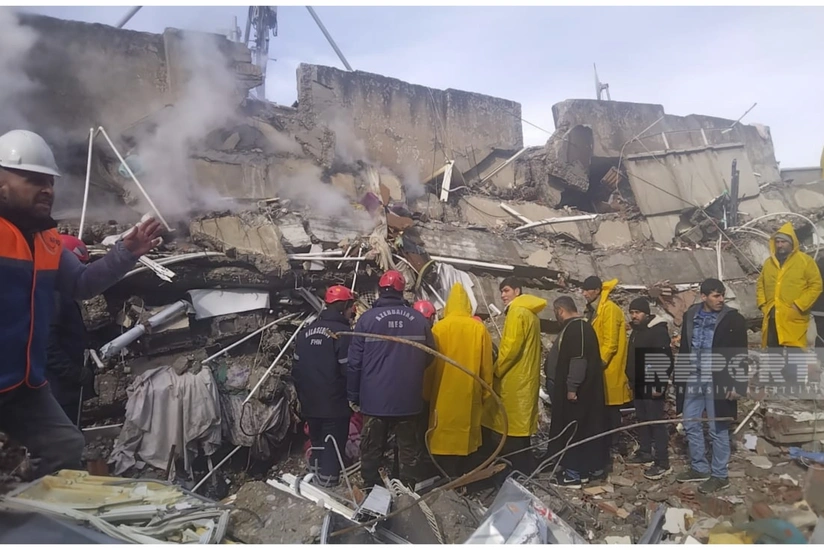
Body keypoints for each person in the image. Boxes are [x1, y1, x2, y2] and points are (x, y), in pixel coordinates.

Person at [0, 129, 163, 477]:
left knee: (64, 446)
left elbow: (82, 284)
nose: (47, 189)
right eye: (33, 179)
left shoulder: (47, 240)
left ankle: (27, 500)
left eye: (50, 181)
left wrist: (126, 253)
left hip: (24, 385)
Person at [347, 270, 435, 487]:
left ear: (380, 290)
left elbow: (355, 362)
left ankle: (371, 487)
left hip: (374, 399)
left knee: (371, 447)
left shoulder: (367, 320)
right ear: (401, 291)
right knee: (408, 448)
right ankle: (407, 489)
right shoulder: (419, 320)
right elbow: (430, 356)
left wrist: (354, 395)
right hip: (408, 399)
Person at [675, 278, 748, 494]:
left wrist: (738, 384)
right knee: (690, 423)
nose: (721, 299)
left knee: (718, 428)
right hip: (694, 376)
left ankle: (719, 475)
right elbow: (685, 347)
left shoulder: (733, 319)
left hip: (718, 379)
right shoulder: (691, 315)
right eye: (716, 295)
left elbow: (741, 353)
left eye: (722, 295)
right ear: (703, 296)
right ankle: (699, 468)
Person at [425, 283, 493, 478]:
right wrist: (486, 394)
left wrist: (426, 393)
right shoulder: (479, 329)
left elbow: (429, 366)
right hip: (469, 395)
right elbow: (486, 367)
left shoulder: (439, 328)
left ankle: (444, 478)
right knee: (466, 441)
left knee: (443, 437)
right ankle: (463, 478)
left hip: (442, 395)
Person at [480, 277, 546, 477]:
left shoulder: (517, 312)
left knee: (510, 430)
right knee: (522, 432)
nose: (503, 295)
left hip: (515, 382)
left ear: (517, 291)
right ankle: (526, 470)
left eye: (506, 290)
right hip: (527, 380)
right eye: (501, 291)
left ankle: (513, 473)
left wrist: (495, 371)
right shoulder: (531, 314)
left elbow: (510, 349)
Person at [292, 285, 355, 487]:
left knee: (317, 441)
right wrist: (354, 396)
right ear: (343, 306)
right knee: (332, 444)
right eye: (351, 306)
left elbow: (296, 369)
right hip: (334, 403)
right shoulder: (343, 334)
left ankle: (314, 478)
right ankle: (328, 487)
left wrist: (303, 396)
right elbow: (348, 370)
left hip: (309, 402)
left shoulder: (305, 332)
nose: (353, 311)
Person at [543, 296, 609, 487]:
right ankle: (583, 470)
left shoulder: (577, 329)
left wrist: (572, 388)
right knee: (581, 429)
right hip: (577, 392)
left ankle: (573, 474)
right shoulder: (579, 328)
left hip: (575, 394)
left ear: (560, 311)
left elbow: (578, 360)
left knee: (572, 430)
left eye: (556, 313)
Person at [756, 223, 822, 382]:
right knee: (774, 349)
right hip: (773, 315)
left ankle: (795, 385)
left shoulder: (805, 261)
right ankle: (776, 382)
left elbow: (816, 285)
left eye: (783, 242)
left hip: (794, 315)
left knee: (795, 351)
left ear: (792, 242)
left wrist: (799, 305)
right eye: (777, 242)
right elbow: (760, 285)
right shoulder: (769, 263)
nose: (780, 245)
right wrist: (763, 305)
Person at [45, 235, 97, 426]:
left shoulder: (59, 293)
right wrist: (75, 373)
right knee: (64, 432)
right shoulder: (54, 298)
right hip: (58, 386)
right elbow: (47, 346)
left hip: (62, 384)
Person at [625, 297, 673, 480]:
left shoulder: (657, 332)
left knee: (655, 421)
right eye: (632, 312)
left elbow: (665, 359)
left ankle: (662, 461)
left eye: (637, 312)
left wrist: (659, 385)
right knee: (642, 419)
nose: (634, 316)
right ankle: (645, 451)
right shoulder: (637, 331)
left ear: (646, 313)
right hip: (638, 383)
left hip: (652, 384)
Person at [582, 276, 631, 456]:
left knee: (611, 411)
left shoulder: (609, 309)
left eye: (587, 290)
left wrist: (598, 364)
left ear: (596, 290)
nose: (584, 294)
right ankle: (604, 444)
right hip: (600, 368)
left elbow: (610, 343)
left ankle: (614, 445)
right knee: (603, 410)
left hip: (609, 369)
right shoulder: (595, 310)